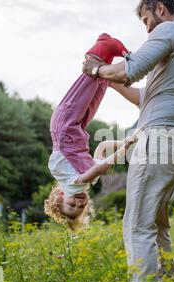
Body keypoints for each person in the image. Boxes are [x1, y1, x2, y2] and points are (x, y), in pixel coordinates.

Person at [83, 0, 174, 282]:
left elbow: (130, 70)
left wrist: (96, 69)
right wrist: (108, 82)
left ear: (160, 8)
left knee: (136, 226)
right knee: (157, 218)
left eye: (146, 19)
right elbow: (143, 96)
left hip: (160, 138)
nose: (146, 28)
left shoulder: (168, 31)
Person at [45, 34, 138, 232]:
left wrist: (125, 149)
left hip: (64, 126)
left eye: (71, 205)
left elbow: (101, 167)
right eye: (80, 208)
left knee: (87, 82)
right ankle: (108, 59)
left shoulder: (74, 184)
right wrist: (124, 142)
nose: (78, 203)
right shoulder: (85, 180)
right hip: (76, 128)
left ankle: (102, 47)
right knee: (100, 86)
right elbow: (103, 148)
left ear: (61, 196)